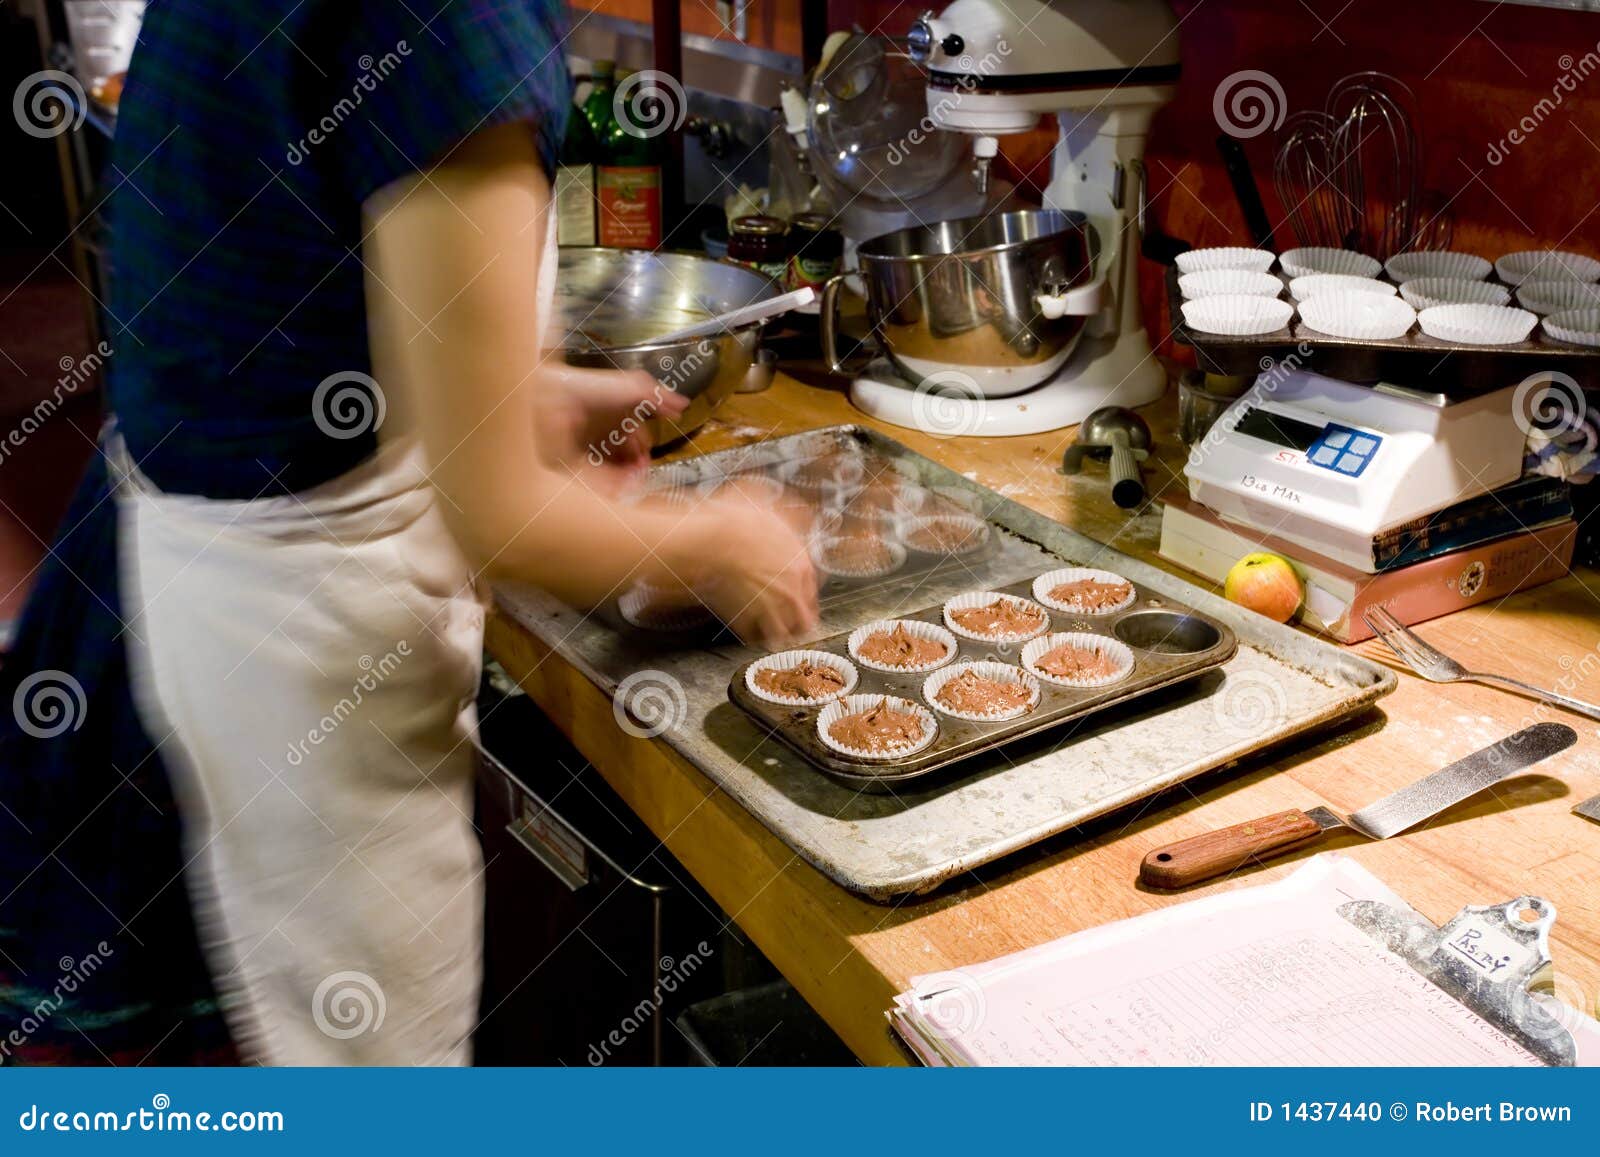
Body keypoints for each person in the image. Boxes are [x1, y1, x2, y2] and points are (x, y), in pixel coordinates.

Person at [2, 1, 816, 1066]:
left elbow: (308, 275)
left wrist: (512, 392)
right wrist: (718, 541)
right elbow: (495, 510)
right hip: (301, 635)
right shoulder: (452, 19)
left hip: (196, 581)